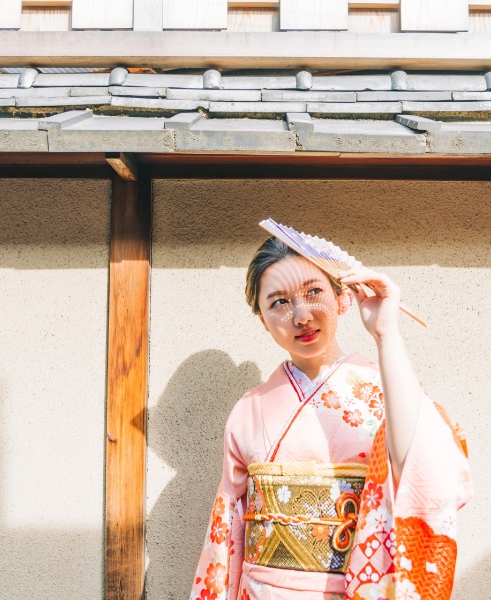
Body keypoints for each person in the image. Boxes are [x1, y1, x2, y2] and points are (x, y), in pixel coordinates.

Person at [190, 236, 472, 600]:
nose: (301, 315)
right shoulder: (249, 408)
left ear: (343, 298)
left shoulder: (384, 390)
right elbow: (225, 535)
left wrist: (386, 334)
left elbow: (423, 473)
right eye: (279, 302)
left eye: (313, 292)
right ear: (262, 319)